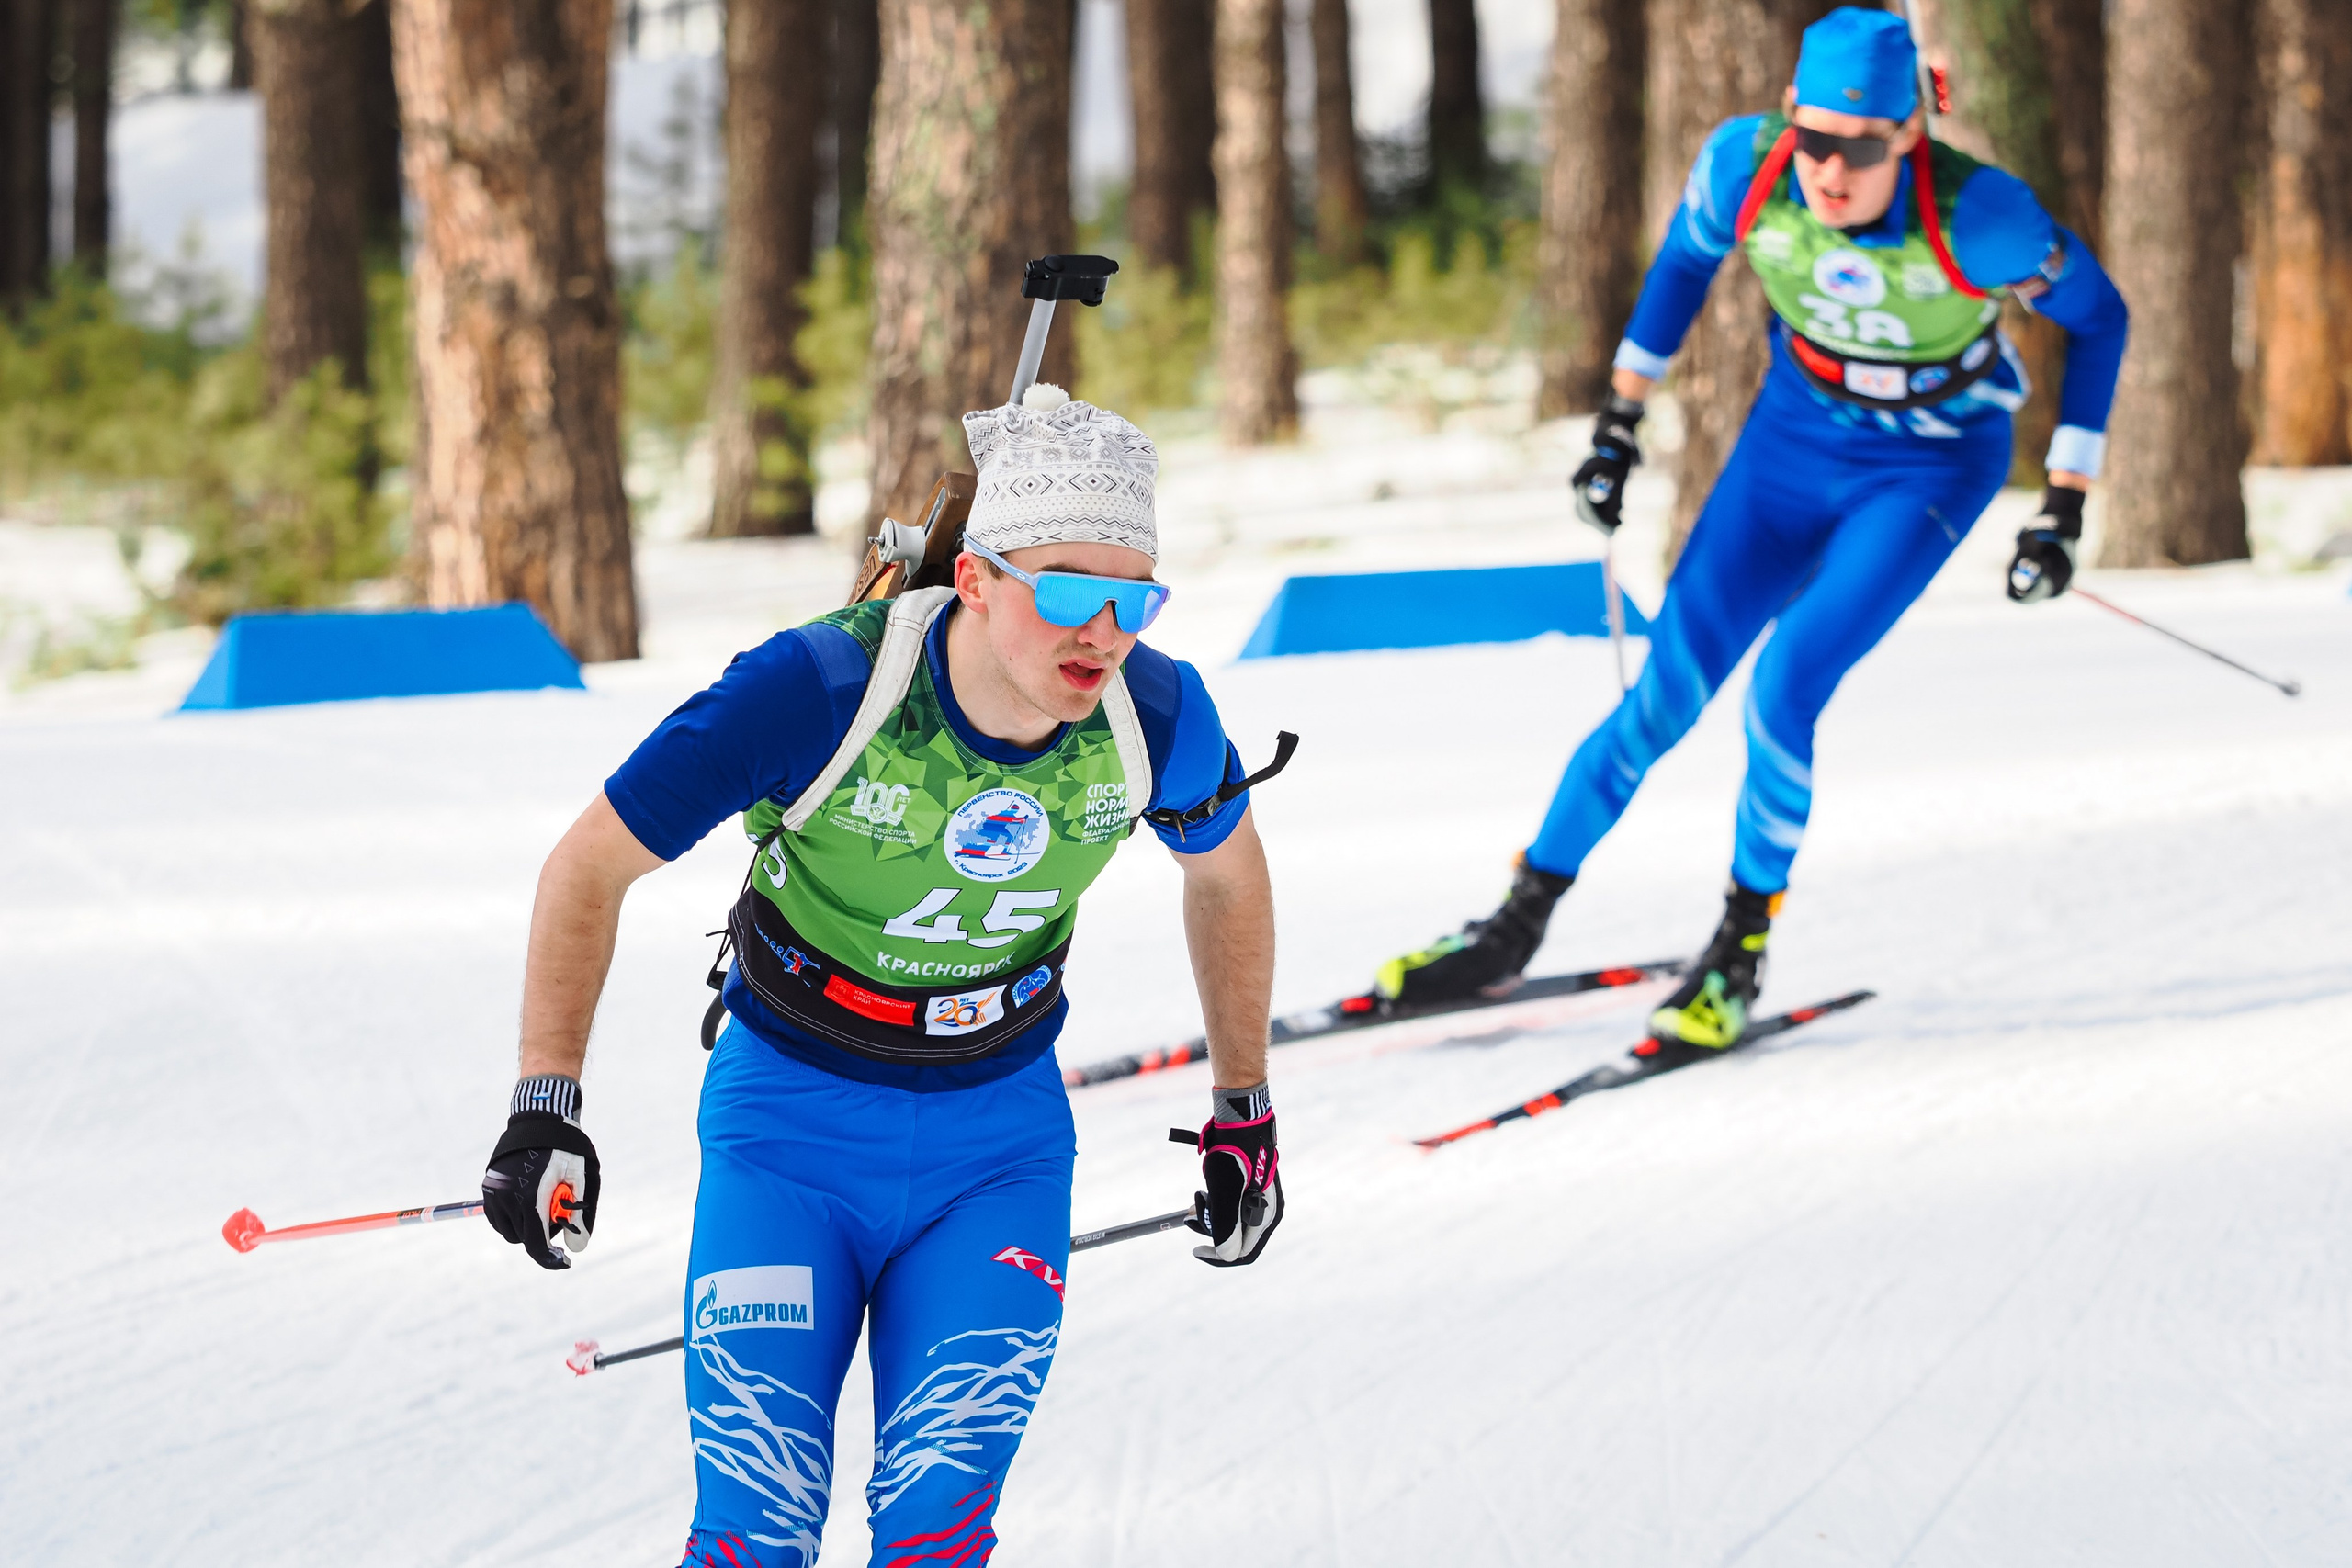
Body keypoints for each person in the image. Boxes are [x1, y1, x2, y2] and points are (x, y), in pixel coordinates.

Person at [476, 388, 1284, 1568]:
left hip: (995, 1150)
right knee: (755, 1528)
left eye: (1134, 598)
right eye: (1069, 592)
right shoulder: (815, 689)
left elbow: (1229, 880)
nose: (1104, 633)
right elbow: (587, 867)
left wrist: (1242, 1108)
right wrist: (545, 1105)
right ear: (977, 582)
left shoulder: (1157, 716)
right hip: (789, 1132)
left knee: (934, 1534)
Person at [1380, 6, 2127, 1046]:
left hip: (1926, 467)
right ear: (1788, 116)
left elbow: (2100, 318)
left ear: (1910, 134)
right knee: (1661, 695)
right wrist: (1618, 423)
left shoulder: (1981, 216)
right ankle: (1514, 924)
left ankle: (1739, 949)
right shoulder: (1747, 167)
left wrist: (2065, 502)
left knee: (1784, 689)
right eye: (1814, 137)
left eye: (1861, 149)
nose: (1831, 171)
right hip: (1791, 445)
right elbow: (1682, 267)